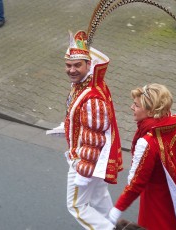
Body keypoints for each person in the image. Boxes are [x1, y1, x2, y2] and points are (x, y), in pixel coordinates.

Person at [108, 83, 176, 230]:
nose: (132, 108)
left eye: (137, 105)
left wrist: (117, 209)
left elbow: (136, 183)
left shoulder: (148, 142)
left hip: (156, 202)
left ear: (150, 112)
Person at [63, 30, 123, 230]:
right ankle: (116, 225)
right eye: (68, 65)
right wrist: (64, 128)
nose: (71, 70)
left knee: (76, 206)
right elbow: (82, 121)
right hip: (93, 161)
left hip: (86, 162)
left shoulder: (93, 97)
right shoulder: (83, 85)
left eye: (77, 65)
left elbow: (94, 137)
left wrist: (83, 171)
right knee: (98, 197)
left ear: (89, 66)